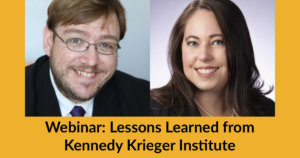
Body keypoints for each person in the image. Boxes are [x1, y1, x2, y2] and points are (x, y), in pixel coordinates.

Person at [26, 0, 150, 116]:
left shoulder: (146, 100)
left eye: (105, 45)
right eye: (76, 40)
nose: (92, 61)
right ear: (49, 41)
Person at [151, 0, 275, 116]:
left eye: (217, 42)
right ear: (179, 50)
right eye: (193, 43)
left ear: (239, 46)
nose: (204, 56)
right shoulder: (153, 110)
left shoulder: (269, 111)